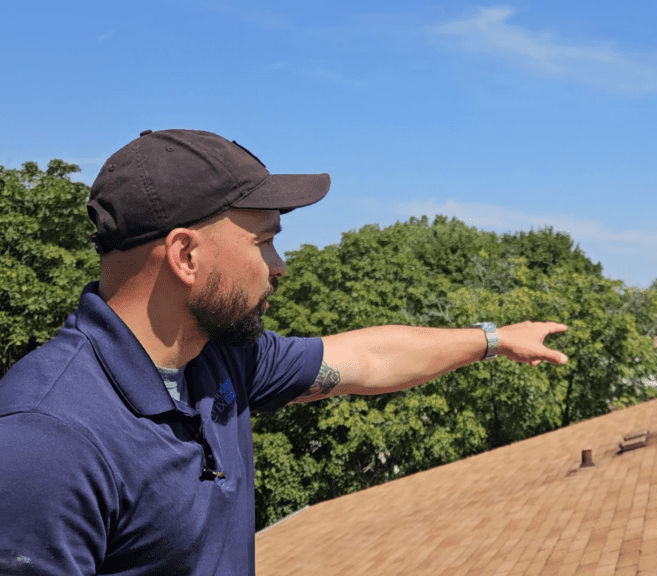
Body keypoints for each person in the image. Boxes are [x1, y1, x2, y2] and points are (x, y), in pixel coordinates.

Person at [0, 129, 568, 575]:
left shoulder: (221, 360)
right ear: (185, 255)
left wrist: (493, 339)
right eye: (264, 240)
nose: (280, 266)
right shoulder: (48, 436)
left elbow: (367, 359)